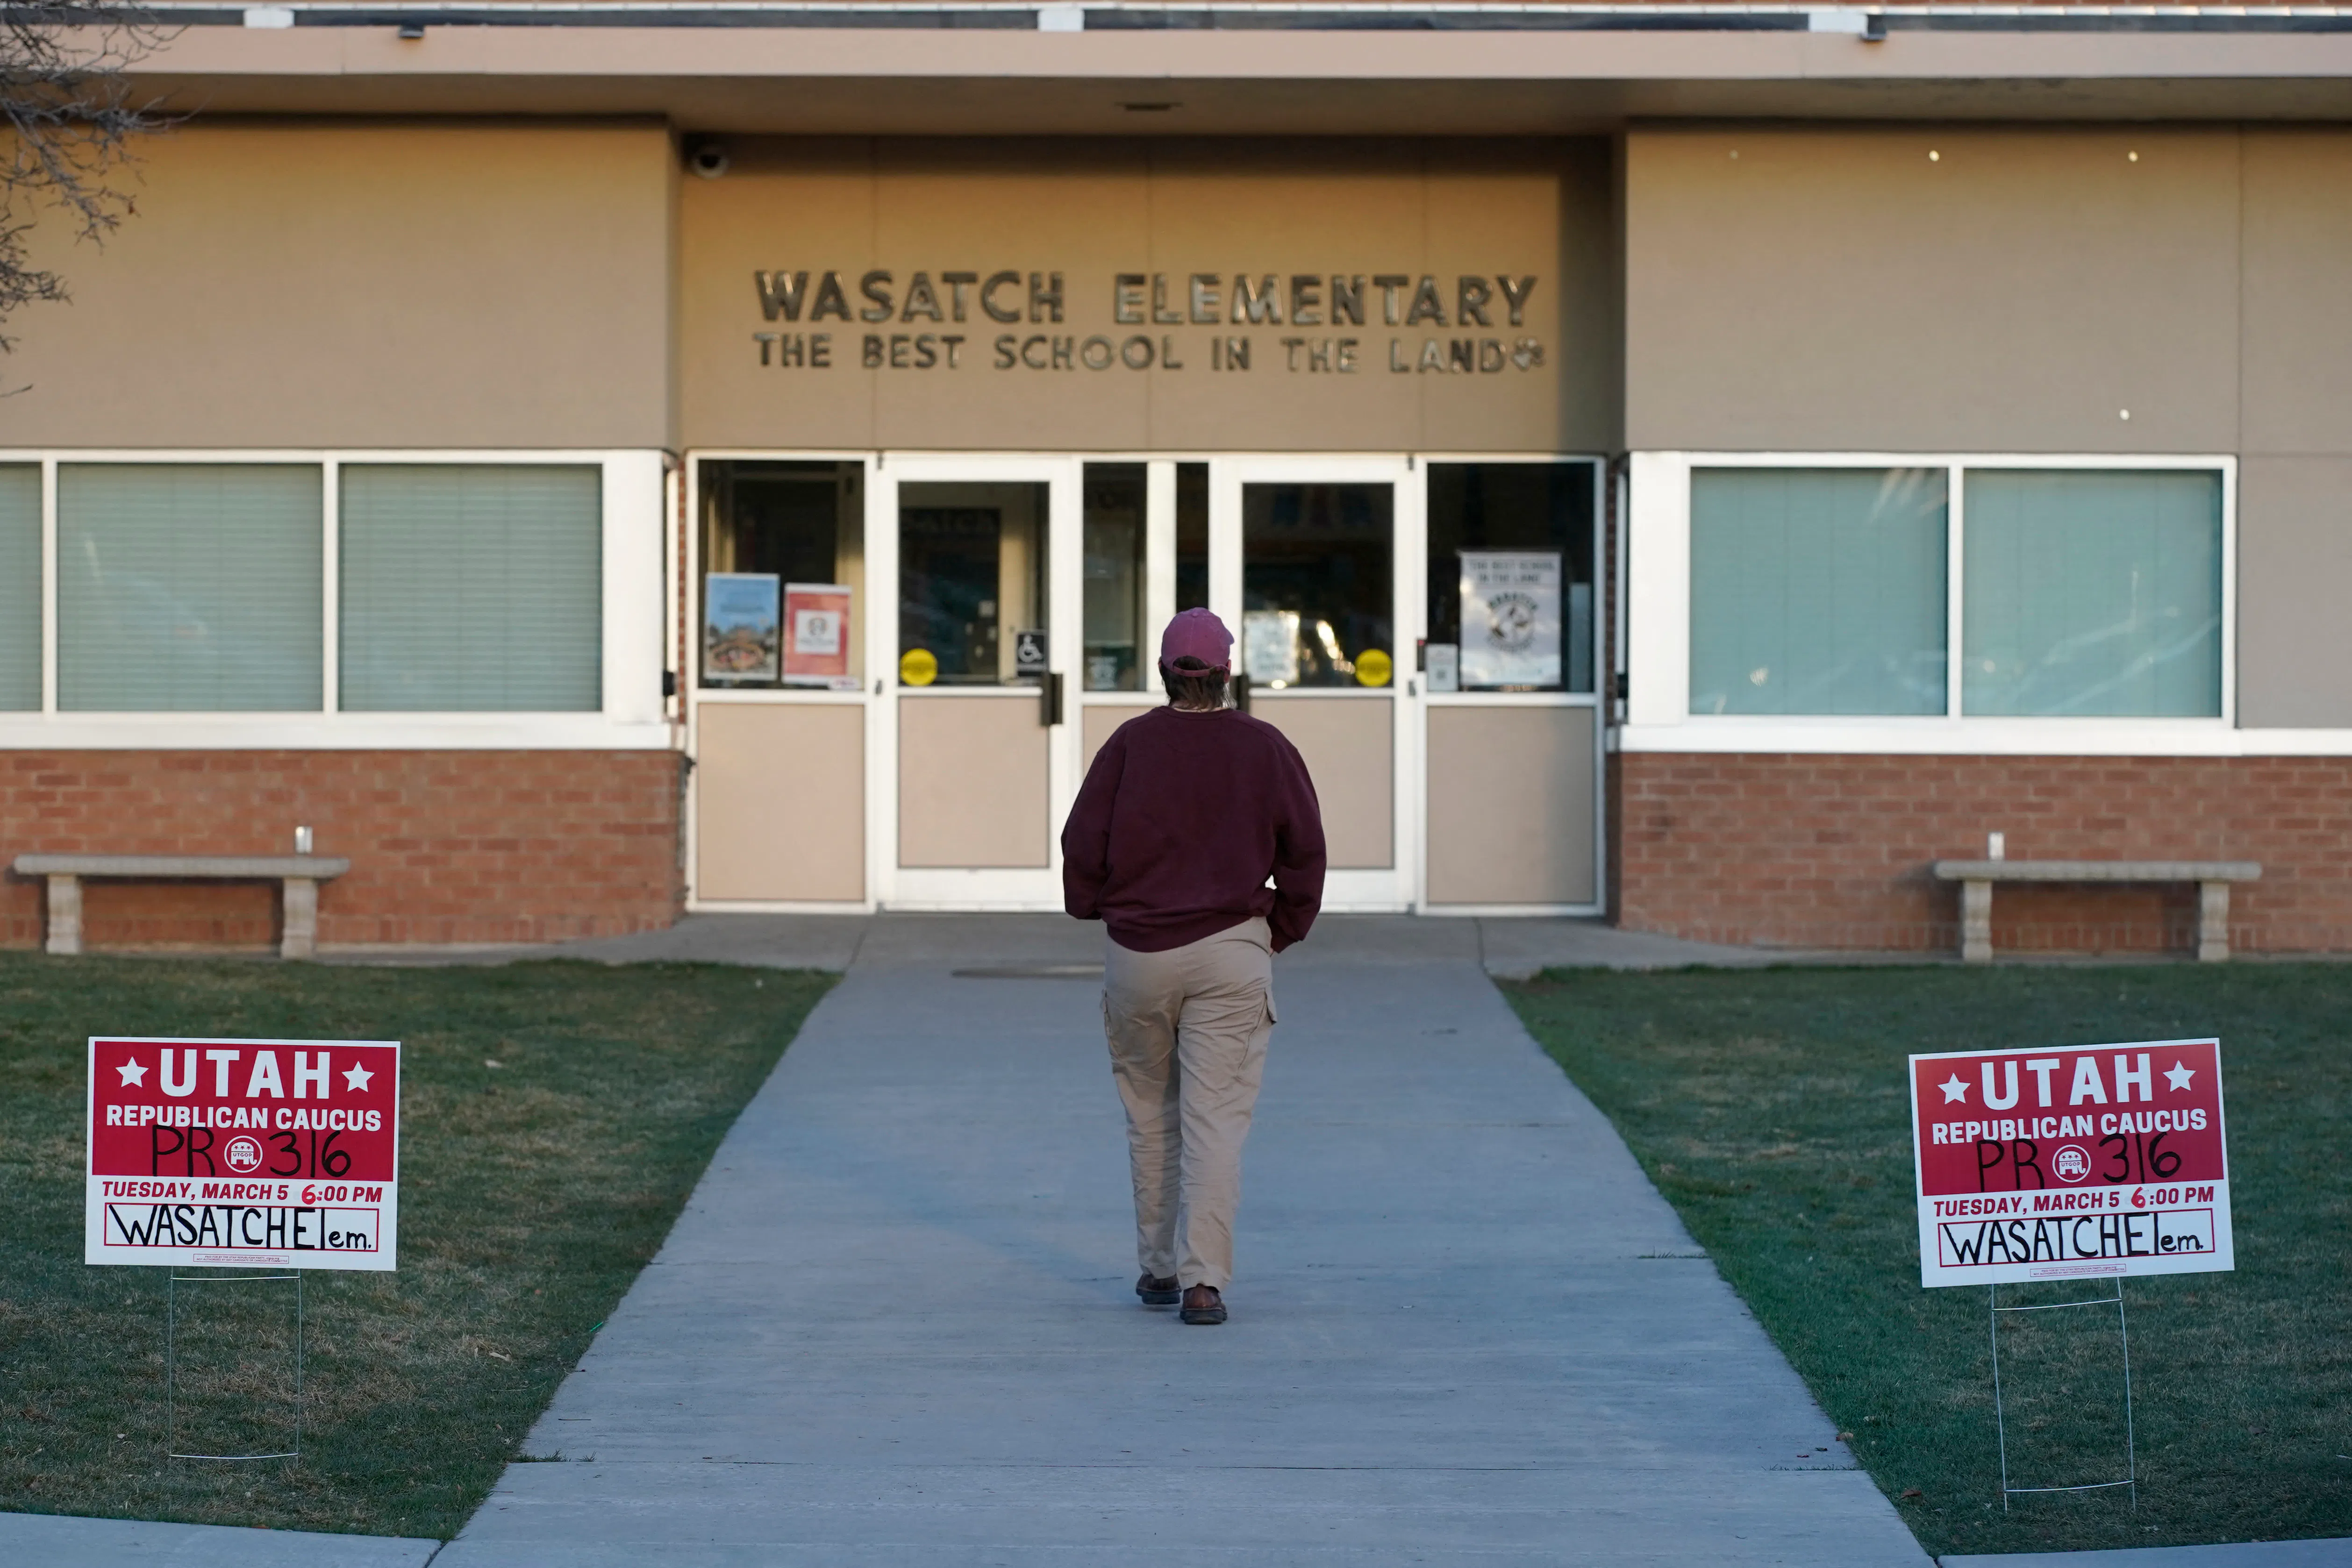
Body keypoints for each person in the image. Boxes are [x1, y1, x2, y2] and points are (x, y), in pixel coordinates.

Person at [1061, 608, 1326, 1326]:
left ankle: (1155, 1270)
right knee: (1215, 1121)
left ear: (1163, 673)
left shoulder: (1128, 746)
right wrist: (1283, 930)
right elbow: (1305, 850)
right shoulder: (1266, 747)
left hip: (1139, 954)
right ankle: (1203, 1283)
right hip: (1233, 951)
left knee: (1151, 1116)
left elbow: (1083, 841)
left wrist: (1095, 907)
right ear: (1227, 675)